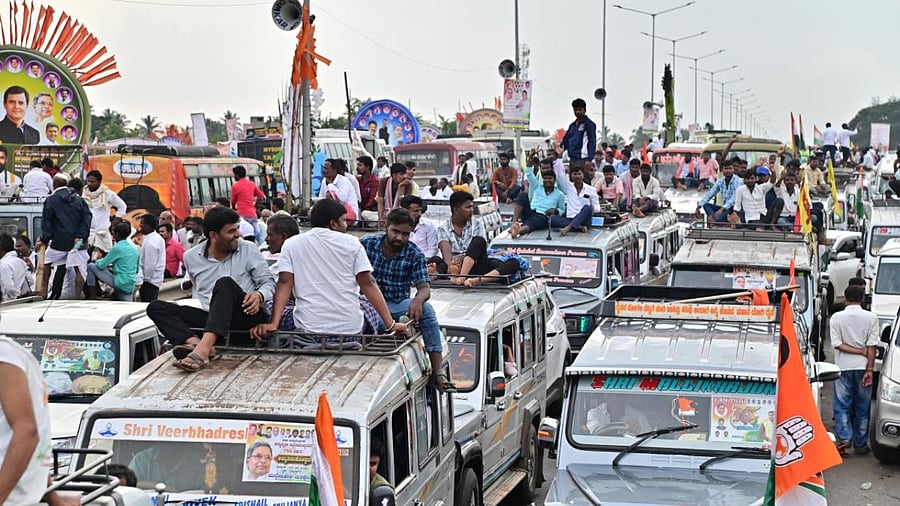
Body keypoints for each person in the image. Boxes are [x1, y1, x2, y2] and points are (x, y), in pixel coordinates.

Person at [251, 199, 406, 338]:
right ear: (333, 223)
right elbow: (368, 284)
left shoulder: (292, 244)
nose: (346, 225)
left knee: (273, 304)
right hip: (350, 332)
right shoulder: (352, 243)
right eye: (344, 221)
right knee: (365, 303)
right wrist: (391, 324)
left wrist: (273, 324)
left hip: (307, 330)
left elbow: (284, 283)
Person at [147, 207, 276, 372]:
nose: (238, 234)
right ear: (214, 236)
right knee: (156, 307)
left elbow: (269, 282)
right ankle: (194, 343)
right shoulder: (191, 257)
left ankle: (202, 350)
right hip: (213, 319)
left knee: (224, 284)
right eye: (231, 231)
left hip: (246, 315)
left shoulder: (248, 249)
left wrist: (259, 295)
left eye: (237, 228)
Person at [361, 209, 450, 389]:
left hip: (397, 305)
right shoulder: (366, 245)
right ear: (386, 227)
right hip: (369, 306)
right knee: (373, 321)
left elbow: (424, 288)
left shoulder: (414, 254)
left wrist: (418, 300)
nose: (400, 238)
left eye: (405, 234)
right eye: (395, 232)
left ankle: (438, 371)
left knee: (428, 310)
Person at [0, 336, 76, 506]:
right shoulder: (16, 355)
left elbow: (27, 434)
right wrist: (53, 498)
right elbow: (37, 441)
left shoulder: (4, 357)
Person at [830, 284, 879, 455]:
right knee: (863, 407)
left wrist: (857, 350)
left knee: (842, 405)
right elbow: (872, 346)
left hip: (842, 367)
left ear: (845, 298)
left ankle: (844, 438)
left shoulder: (836, 318)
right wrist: (870, 369)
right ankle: (860, 443)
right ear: (862, 299)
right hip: (863, 366)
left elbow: (837, 344)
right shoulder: (871, 317)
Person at [37, 174, 91, 299]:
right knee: (79, 268)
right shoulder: (80, 200)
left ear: (53, 185)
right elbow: (87, 220)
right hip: (78, 243)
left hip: (59, 243)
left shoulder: (51, 200)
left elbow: (47, 223)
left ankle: (43, 293)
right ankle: (78, 296)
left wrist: (44, 240)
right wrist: (80, 236)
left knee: (46, 264)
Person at [86, 222, 139, 301]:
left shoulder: (117, 248)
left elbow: (101, 265)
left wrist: (96, 261)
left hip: (120, 283)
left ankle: (92, 296)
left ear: (116, 234)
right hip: (130, 284)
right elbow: (137, 269)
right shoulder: (134, 248)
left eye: (113, 234)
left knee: (90, 266)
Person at [450, 235, 528, 287]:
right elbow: (473, 252)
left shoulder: (509, 255)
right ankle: (462, 277)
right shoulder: (490, 251)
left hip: (497, 271)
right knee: (478, 239)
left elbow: (524, 264)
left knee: (515, 263)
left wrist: (505, 253)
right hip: (478, 267)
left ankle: (477, 281)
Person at [82, 170, 127, 255]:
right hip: (87, 231)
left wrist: (114, 222)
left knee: (106, 256)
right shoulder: (83, 194)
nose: (89, 184)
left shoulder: (108, 194)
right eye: (88, 181)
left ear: (99, 181)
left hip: (102, 231)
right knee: (84, 257)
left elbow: (122, 206)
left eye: (92, 182)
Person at [437, 191, 486, 268]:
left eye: (472, 207)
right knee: (436, 261)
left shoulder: (477, 224)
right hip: (452, 265)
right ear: (456, 210)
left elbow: (477, 251)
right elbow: (445, 250)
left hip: (474, 264)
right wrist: (452, 268)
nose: (471, 210)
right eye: (468, 207)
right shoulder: (443, 228)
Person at [509, 170, 565, 238]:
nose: (547, 180)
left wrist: (555, 210)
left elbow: (562, 210)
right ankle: (513, 224)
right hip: (531, 212)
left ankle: (518, 231)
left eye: (550, 178)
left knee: (537, 220)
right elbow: (529, 175)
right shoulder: (537, 187)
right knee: (522, 195)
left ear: (554, 180)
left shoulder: (560, 194)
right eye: (545, 178)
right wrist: (529, 165)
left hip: (544, 217)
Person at [551, 160, 598, 235]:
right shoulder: (568, 187)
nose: (577, 176)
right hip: (570, 218)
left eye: (579, 174)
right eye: (575, 174)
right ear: (571, 176)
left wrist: (593, 208)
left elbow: (597, 207)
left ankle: (568, 228)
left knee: (587, 207)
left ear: (583, 175)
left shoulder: (591, 190)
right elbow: (559, 175)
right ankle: (579, 227)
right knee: (552, 219)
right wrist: (558, 158)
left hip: (584, 220)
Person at [695, 158, 743, 223]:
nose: (728, 171)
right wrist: (698, 207)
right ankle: (714, 219)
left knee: (723, 214)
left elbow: (734, 198)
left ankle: (715, 221)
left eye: (730, 168)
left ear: (733, 169)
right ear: (722, 170)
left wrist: (722, 209)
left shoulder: (738, 181)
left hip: (734, 209)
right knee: (706, 205)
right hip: (724, 208)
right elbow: (710, 194)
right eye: (726, 168)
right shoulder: (721, 181)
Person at [230, 165, 265, 243]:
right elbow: (261, 196)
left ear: (237, 175)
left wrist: (234, 210)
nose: (234, 176)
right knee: (257, 234)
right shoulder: (252, 184)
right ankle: (263, 246)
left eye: (234, 174)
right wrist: (255, 206)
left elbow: (232, 202)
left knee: (242, 235)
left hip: (242, 215)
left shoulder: (235, 186)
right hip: (252, 213)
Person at [135, 214, 165, 302]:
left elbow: (150, 265)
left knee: (147, 305)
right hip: (152, 280)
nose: (140, 225)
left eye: (142, 223)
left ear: (148, 226)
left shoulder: (152, 242)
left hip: (149, 281)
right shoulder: (154, 238)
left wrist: (145, 279)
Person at [319, 158, 360, 223]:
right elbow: (321, 197)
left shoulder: (344, 180)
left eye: (326, 168)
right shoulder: (324, 180)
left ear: (334, 170)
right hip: (334, 213)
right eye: (323, 168)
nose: (324, 170)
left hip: (349, 213)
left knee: (329, 195)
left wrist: (330, 185)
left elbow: (341, 199)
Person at [560, 98, 597, 168]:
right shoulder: (572, 126)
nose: (577, 112)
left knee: (583, 178)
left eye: (579, 109)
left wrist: (589, 159)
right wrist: (559, 149)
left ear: (585, 110)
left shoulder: (589, 124)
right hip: (572, 158)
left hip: (583, 159)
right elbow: (566, 140)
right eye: (575, 110)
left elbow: (592, 141)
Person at [0, 233, 28, 301]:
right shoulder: (22, 262)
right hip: (23, 301)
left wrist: (16, 297)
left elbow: (8, 287)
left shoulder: (3, 264)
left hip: (8, 304)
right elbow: (30, 281)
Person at [357, 155, 380, 222]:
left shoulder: (375, 181)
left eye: (360, 165)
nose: (357, 167)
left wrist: (363, 210)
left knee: (365, 214)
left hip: (371, 210)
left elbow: (372, 200)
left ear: (367, 167)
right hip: (361, 209)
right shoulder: (358, 180)